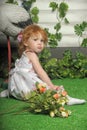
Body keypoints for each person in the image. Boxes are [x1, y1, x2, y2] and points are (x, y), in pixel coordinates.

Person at [0, 24, 86, 105]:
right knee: (45, 91)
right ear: (26, 42)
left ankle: (12, 91)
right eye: (35, 40)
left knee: (28, 88)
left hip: (18, 82)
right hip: (24, 82)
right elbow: (40, 72)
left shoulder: (26, 53)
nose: (40, 43)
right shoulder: (32, 55)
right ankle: (65, 99)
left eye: (42, 40)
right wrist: (51, 86)